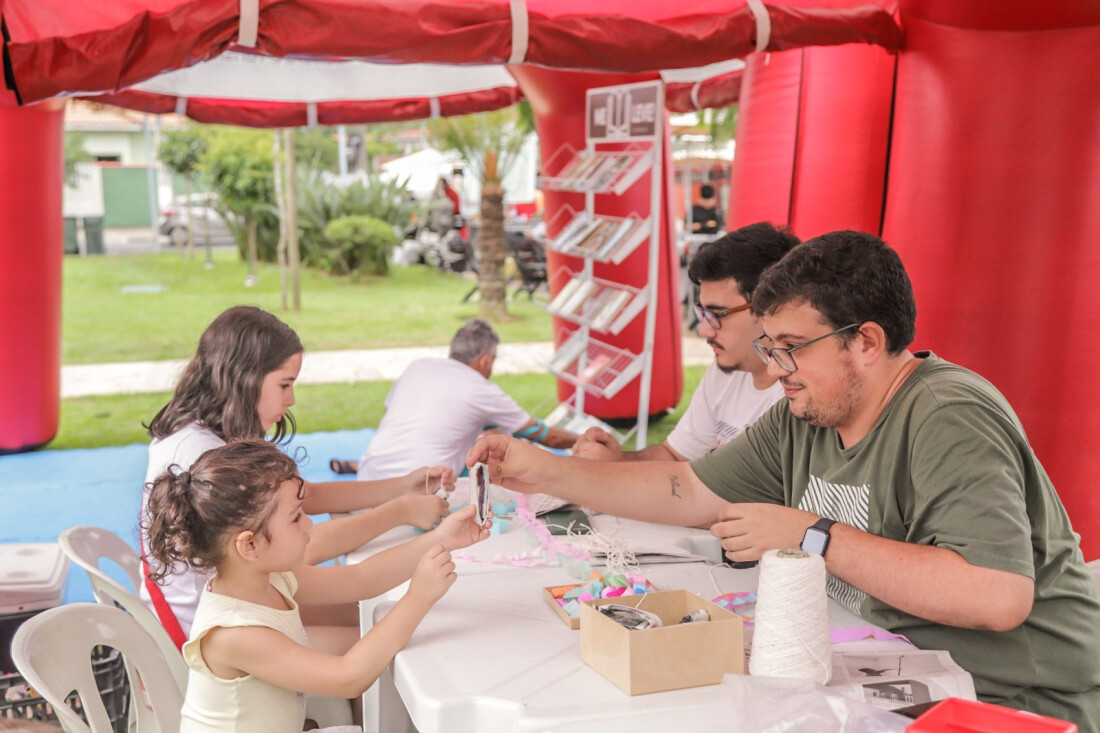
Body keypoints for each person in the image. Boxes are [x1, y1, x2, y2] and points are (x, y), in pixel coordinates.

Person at [468, 230, 1100, 727]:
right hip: (887, 677)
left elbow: (997, 596)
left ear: (866, 342)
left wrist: (812, 534)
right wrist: (546, 470)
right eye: (770, 347)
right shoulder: (809, 410)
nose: (776, 369)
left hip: (1006, 703)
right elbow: (687, 489)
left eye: (791, 347)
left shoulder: (946, 415)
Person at [140, 305, 454, 644]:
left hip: (211, 611)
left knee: (368, 617)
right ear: (243, 380)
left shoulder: (195, 436)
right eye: (285, 384)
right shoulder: (202, 458)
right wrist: (399, 511)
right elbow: (304, 549)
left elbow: (309, 497)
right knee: (377, 641)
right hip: (209, 630)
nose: (290, 399)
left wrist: (401, 488)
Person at [143, 440, 490, 733]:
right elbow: (348, 677)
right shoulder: (233, 633)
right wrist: (418, 597)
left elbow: (361, 579)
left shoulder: (269, 577)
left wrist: (441, 539)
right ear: (249, 545)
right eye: (296, 517)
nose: (309, 523)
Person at [573, 222, 798, 462]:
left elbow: (702, 483)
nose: (703, 330)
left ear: (770, 309)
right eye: (703, 314)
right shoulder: (728, 370)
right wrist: (617, 461)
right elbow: (675, 456)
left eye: (718, 315)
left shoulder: (799, 395)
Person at [333, 318, 576, 480]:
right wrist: (586, 439)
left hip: (368, 477)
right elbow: (548, 436)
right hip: (420, 490)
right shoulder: (482, 390)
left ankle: (355, 465)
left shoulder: (418, 366)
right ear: (485, 361)